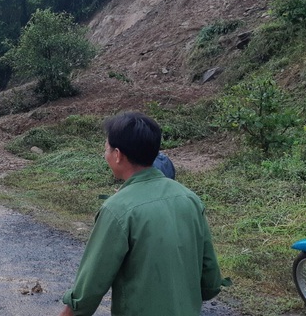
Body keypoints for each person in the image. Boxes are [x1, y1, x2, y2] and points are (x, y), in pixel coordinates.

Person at [59, 112, 224, 316]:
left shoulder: (117, 209)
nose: (105, 155)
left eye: (106, 149)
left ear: (118, 155)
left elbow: (89, 289)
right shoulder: (189, 199)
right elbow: (210, 282)